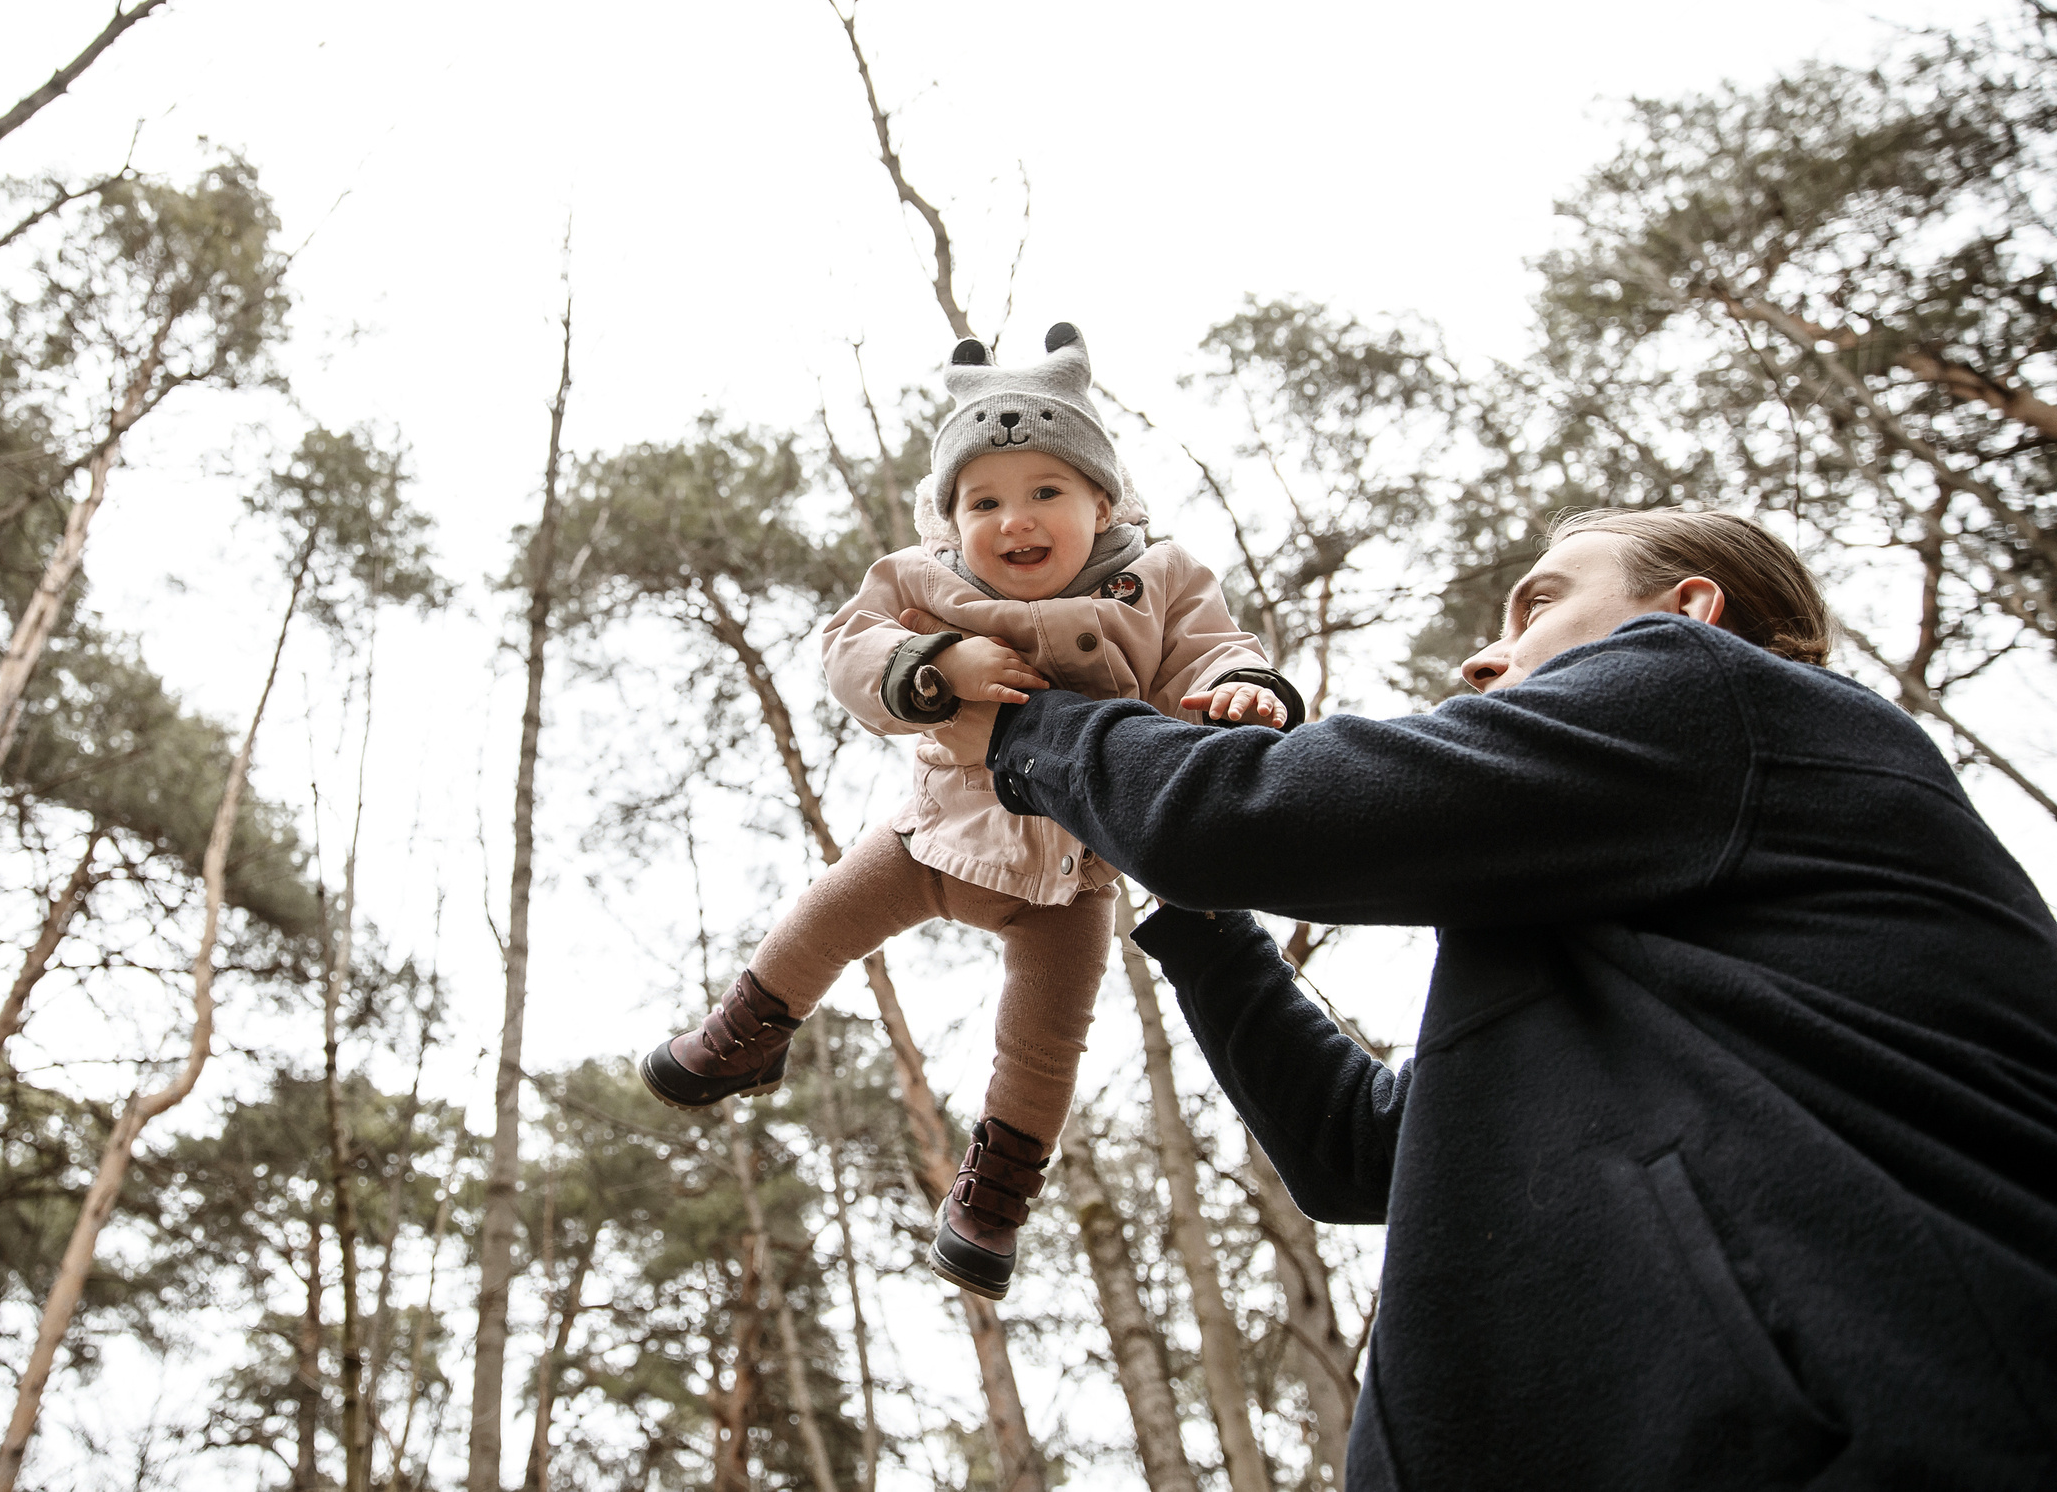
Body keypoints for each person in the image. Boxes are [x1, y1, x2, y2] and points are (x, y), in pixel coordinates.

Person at [982, 507, 2057, 1490]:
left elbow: (1237, 815)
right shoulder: (1627, 886)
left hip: (1860, 1430)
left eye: (1540, 599)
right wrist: (1205, 924)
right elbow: (1357, 1151)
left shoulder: (1712, 692)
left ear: (1689, 607)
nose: (1480, 652)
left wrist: (1023, 727)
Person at [637, 322, 1304, 1300]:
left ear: (1101, 501)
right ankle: (746, 1033)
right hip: (935, 832)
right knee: (820, 916)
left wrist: (1243, 689)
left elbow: (1210, 648)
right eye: (983, 500)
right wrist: (938, 663)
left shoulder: (1155, 580)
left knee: (1044, 1041)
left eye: (1045, 492)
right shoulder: (925, 583)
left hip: (1070, 873)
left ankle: (991, 1199)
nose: (1013, 519)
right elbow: (849, 649)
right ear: (950, 518)